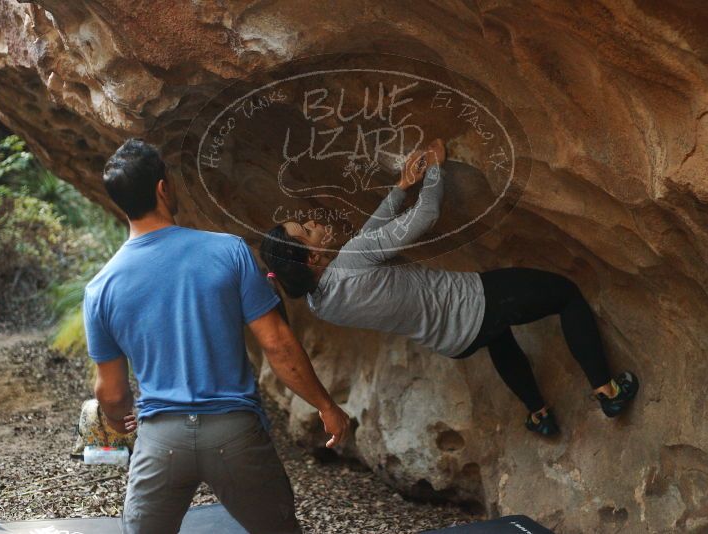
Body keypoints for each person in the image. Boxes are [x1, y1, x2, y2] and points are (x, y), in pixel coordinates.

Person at [259, 138, 638, 437]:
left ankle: (539, 414)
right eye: (306, 231)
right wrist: (436, 169)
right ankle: (607, 392)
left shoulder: (318, 301)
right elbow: (425, 216)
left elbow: (366, 243)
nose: (311, 222)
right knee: (565, 293)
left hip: (451, 341)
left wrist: (400, 187)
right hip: (474, 302)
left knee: (499, 339)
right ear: (312, 258)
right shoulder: (353, 259)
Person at [83, 138, 350, 534]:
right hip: (235, 433)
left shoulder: (100, 288)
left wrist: (116, 417)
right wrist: (326, 406)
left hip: (162, 439)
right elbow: (277, 343)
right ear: (163, 188)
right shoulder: (229, 251)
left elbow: (112, 391)